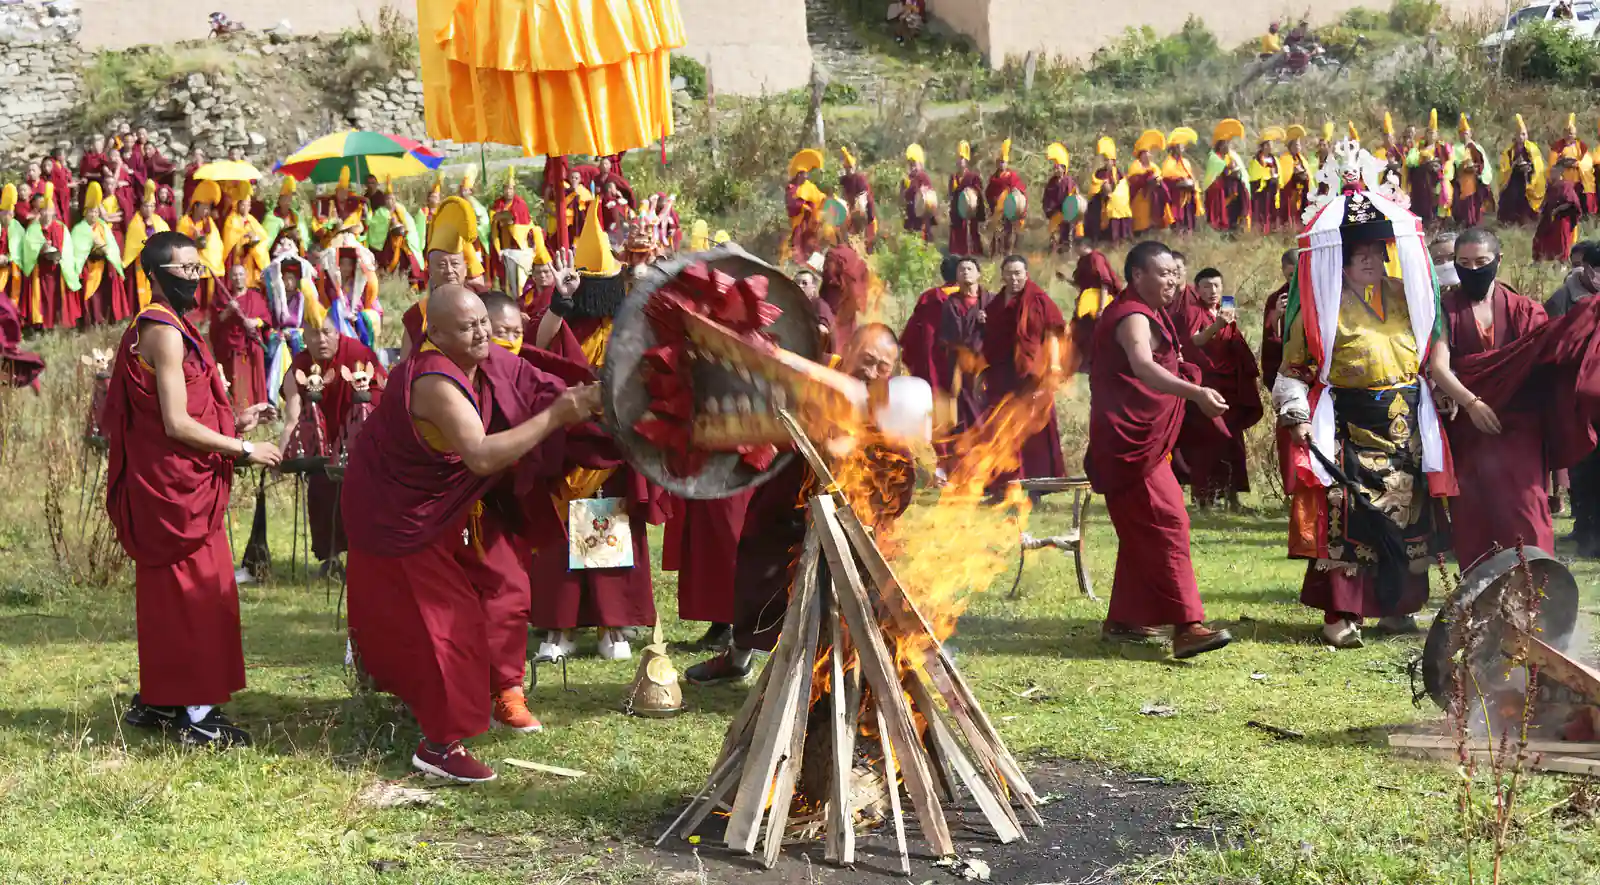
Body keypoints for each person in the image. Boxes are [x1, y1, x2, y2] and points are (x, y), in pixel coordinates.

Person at [343, 284, 598, 782]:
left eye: (484, 320)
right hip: (398, 512)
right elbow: (480, 454)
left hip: (427, 512)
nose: (482, 331)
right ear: (434, 334)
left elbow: (530, 380)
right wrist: (557, 416)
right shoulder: (436, 380)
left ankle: (425, 707)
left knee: (437, 618)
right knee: (448, 624)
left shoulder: (484, 361)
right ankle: (439, 746)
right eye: (467, 326)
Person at [1275, 189, 1486, 649]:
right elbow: (1293, 369)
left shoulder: (1405, 294)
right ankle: (1340, 615)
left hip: (1405, 423)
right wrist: (1296, 414)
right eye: (1359, 255)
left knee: (1407, 520)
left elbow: (1433, 351)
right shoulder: (1321, 306)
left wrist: (1442, 396)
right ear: (1342, 263)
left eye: (1376, 252)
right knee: (1347, 518)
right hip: (1348, 424)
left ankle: (1397, 608)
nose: (1370, 261)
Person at [107, 231, 282, 748]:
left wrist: (238, 419)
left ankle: (162, 699)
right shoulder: (161, 329)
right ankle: (198, 717)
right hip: (174, 489)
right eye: (183, 270)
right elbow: (177, 423)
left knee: (173, 598)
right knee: (201, 597)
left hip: (182, 481)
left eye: (196, 268)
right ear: (157, 275)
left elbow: (194, 406)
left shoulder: (179, 325)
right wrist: (243, 449)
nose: (194, 278)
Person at [685, 324, 914, 684]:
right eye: (865, 360)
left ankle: (836, 677)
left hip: (851, 514)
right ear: (849, 349)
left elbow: (901, 475)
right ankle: (738, 656)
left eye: (881, 367)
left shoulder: (891, 407)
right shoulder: (813, 374)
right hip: (791, 495)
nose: (869, 372)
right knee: (759, 570)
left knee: (853, 596)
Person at [529, 201, 663, 662]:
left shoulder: (627, 325)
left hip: (611, 445)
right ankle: (559, 629)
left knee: (608, 531)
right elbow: (533, 348)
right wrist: (560, 302)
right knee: (560, 539)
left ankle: (612, 627)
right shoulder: (561, 318)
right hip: (564, 444)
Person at [1087, 240, 1232, 658]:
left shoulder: (1151, 312)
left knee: (1143, 527)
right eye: (1163, 273)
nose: (1172, 281)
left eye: (1174, 273)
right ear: (1137, 277)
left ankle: (1127, 620)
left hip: (1140, 440)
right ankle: (1188, 626)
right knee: (1167, 521)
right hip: (1129, 442)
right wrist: (1196, 392)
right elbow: (1142, 365)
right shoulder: (1132, 314)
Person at [1439, 228, 1550, 568]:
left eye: (1482, 262)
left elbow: (1544, 365)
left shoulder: (1524, 310)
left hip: (1517, 427)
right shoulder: (1444, 309)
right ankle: (1481, 603)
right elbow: (1437, 367)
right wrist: (1471, 403)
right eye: (1464, 263)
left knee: (1527, 507)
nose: (1473, 269)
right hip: (1467, 427)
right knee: (1474, 513)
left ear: (1498, 261)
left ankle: (1537, 597)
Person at [1176, 268, 1262, 508]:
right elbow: (1195, 340)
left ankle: (1233, 497)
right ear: (1197, 290)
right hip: (1208, 385)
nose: (1212, 291)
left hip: (1229, 386)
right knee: (1209, 441)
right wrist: (1218, 325)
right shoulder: (1196, 312)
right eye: (1205, 287)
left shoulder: (1224, 311)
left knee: (1233, 442)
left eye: (1216, 286)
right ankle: (1204, 498)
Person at [982, 255, 1067, 496]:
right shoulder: (996, 304)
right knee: (1001, 427)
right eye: (1009, 273)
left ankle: (1036, 486)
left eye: (1018, 273)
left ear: (1026, 274)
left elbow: (1052, 335)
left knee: (1034, 431)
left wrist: (1054, 368)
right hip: (1003, 376)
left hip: (1033, 374)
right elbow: (991, 340)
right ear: (1003, 275)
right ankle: (1004, 484)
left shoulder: (1038, 300)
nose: (1014, 278)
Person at [937, 256, 992, 457]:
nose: (965, 272)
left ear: (978, 274)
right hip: (961, 368)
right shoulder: (951, 304)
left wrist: (990, 321)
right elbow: (949, 338)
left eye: (969, 268)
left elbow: (1005, 330)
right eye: (961, 270)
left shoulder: (990, 301)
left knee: (988, 413)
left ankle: (990, 459)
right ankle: (965, 462)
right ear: (956, 277)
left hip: (986, 367)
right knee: (964, 415)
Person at [1260, 248, 1298, 492]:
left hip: (1315, 376)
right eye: (1289, 276)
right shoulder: (1276, 298)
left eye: (1297, 275)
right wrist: (1277, 318)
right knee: (1288, 434)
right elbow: (1269, 340)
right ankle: (1292, 489)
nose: (1293, 281)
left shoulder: (1318, 291)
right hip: (1286, 375)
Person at [211, 264, 274, 409]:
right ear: (230, 278)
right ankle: (240, 411)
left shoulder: (255, 297)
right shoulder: (223, 298)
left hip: (252, 344)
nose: (238, 278)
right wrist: (229, 309)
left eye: (240, 275)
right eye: (234, 275)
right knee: (237, 378)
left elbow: (266, 319)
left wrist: (255, 322)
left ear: (246, 276)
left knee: (255, 378)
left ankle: (260, 410)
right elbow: (216, 322)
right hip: (232, 346)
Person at [19, 187, 81, 330]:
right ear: (39, 212)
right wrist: (41, 250)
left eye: (49, 210)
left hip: (58, 269)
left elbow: (68, 249)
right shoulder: (33, 229)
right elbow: (29, 249)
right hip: (41, 270)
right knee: (43, 298)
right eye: (43, 210)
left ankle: (59, 323)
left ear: (53, 212)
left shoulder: (61, 228)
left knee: (57, 297)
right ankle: (42, 325)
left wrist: (60, 257)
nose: (46, 213)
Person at [900, 254, 960, 392]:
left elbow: (911, 335)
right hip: (961, 365)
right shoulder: (970, 298)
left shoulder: (929, 297)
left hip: (930, 363)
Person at [73, 182, 128, 326]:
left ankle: (104, 319)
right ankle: (89, 322)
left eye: (97, 212)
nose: (94, 214)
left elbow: (111, 247)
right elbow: (77, 252)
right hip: (88, 267)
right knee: (88, 294)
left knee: (104, 294)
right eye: (91, 211)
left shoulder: (103, 226)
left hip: (102, 266)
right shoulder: (79, 229)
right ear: (86, 212)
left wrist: (103, 248)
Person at [177, 179, 227, 312]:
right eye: (204, 207)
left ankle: (207, 313)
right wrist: (193, 239)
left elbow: (215, 243)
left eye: (208, 208)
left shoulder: (208, 221)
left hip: (209, 263)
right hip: (192, 264)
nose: (206, 211)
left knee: (209, 295)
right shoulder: (185, 222)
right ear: (195, 206)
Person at [123, 181, 171, 310]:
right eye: (146, 205)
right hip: (140, 263)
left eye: (151, 206)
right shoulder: (136, 222)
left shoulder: (159, 222)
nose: (148, 209)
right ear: (141, 207)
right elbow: (134, 243)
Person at [1404, 110, 1453, 227]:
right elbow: (1411, 161)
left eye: (1433, 133)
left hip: (1437, 178)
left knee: (1438, 199)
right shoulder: (1419, 146)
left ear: (1437, 134)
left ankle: (1437, 222)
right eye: (1429, 132)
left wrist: (1441, 170)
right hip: (1422, 180)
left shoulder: (1442, 147)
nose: (1431, 135)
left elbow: (1449, 161)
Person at [1534, 156, 1584, 263]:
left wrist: (1557, 210)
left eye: (1553, 172)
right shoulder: (1552, 186)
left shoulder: (1566, 185)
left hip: (1562, 217)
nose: (1551, 175)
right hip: (1549, 215)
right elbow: (1547, 200)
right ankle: (1539, 260)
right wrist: (1541, 210)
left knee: (1561, 241)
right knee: (1540, 236)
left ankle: (1562, 263)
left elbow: (1571, 202)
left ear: (1559, 173)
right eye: (1551, 172)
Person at [1498, 115, 1545, 226]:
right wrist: (1514, 165)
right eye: (1519, 134)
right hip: (1514, 178)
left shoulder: (1532, 149)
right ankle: (1509, 221)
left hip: (1528, 179)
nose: (1521, 137)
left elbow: (1538, 166)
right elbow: (1505, 168)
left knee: (1526, 198)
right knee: (1510, 195)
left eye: (1524, 134)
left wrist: (1529, 168)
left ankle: (1526, 222)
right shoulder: (1509, 150)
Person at [1204, 122, 1250, 232]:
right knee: (1224, 212)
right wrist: (1227, 171)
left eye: (1228, 144)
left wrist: (1235, 172)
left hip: (1234, 191)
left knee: (1235, 211)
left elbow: (1240, 171)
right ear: (1219, 145)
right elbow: (1213, 176)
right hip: (1221, 192)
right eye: (1224, 144)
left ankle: (1236, 227)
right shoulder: (1214, 158)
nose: (1227, 146)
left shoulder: (1232, 156)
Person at [221, 186, 270, 290]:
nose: (246, 207)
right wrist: (244, 239)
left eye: (248, 205)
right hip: (239, 259)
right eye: (243, 204)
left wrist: (254, 238)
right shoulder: (232, 220)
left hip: (252, 259)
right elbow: (231, 241)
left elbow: (263, 237)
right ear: (237, 204)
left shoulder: (251, 219)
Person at [1084, 138, 1130, 244]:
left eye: (1109, 160)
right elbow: (1094, 187)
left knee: (1118, 207)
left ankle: (1119, 239)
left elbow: (1123, 186)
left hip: (1114, 201)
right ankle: (1097, 238)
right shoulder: (1099, 172)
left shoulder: (1118, 172)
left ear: (1114, 161)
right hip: (1100, 201)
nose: (1107, 162)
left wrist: (1113, 191)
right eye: (1105, 160)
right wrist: (1103, 188)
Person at [1451, 115, 1493, 228]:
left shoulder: (1477, 147)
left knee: (1476, 205)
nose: (1464, 134)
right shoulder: (1454, 148)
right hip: (1461, 181)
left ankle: (1475, 224)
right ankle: (1461, 223)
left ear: (1470, 133)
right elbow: (1451, 165)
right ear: (1458, 134)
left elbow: (1486, 166)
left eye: (1466, 132)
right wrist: (1462, 167)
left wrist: (1479, 172)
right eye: (1462, 132)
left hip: (1475, 180)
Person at [985, 140, 1026, 256]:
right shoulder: (993, 178)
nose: (1002, 164)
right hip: (997, 211)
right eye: (1000, 162)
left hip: (1010, 210)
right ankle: (996, 254)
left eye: (1004, 162)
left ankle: (1008, 253)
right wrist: (993, 203)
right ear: (997, 163)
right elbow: (988, 193)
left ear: (1007, 164)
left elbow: (1020, 189)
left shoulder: (1012, 176)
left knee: (1008, 233)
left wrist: (1016, 191)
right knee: (996, 233)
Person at [1548, 113, 1592, 217]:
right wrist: (1562, 164)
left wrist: (1577, 164)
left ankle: (1580, 215)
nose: (1569, 135)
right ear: (1563, 133)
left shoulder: (1580, 146)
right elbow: (1552, 163)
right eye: (1567, 132)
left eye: (1571, 133)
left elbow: (1587, 161)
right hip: (1563, 180)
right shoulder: (1558, 146)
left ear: (1575, 134)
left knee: (1577, 199)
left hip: (1577, 178)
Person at [947, 141, 986, 256]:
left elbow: (979, 191)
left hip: (970, 212)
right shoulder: (953, 177)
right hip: (956, 212)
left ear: (967, 160)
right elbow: (950, 194)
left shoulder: (973, 177)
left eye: (963, 159)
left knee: (972, 234)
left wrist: (971, 192)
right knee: (957, 234)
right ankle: (957, 255)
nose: (960, 161)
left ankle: (973, 254)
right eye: (959, 158)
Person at [1127, 131, 1168, 237]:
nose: (1147, 156)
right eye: (1144, 153)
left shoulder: (1154, 166)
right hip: (1139, 197)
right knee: (1140, 217)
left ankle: (1152, 231)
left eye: (1148, 153)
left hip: (1152, 197)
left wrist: (1155, 180)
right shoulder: (1135, 165)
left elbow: (1159, 177)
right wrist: (1145, 179)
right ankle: (1137, 233)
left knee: (1151, 218)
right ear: (1140, 156)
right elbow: (1133, 179)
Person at [837, 147, 878, 250]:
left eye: (850, 168)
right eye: (846, 168)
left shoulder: (860, 179)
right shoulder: (844, 180)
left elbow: (862, 200)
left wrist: (856, 211)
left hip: (866, 215)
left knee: (867, 245)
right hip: (853, 216)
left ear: (854, 168)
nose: (848, 171)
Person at [1041, 143, 1079, 253]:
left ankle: (1066, 255)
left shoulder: (1069, 181)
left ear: (1064, 168)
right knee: (1053, 236)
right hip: (1055, 213)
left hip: (1066, 214)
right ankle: (1053, 256)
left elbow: (1073, 197)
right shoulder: (1052, 181)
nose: (1056, 170)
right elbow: (1047, 196)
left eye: (1058, 168)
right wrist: (1049, 207)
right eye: (1055, 168)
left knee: (1066, 237)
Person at [1161, 131, 1201, 234]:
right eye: (1180, 145)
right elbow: (1166, 181)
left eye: (1183, 145)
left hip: (1187, 196)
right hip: (1176, 198)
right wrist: (1181, 183)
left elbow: (1191, 176)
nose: (1182, 147)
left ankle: (1189, 240)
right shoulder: (1168, 162)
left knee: (1188, 222)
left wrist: (1191, 184)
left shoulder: (1186, 162)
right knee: (1178, 223)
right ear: (1174, 148)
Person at [1277, 125, 1317, 227]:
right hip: (1291, 194)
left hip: (1302, 192)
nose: (1298, 146)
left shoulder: (1301, 158)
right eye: (1296, 144)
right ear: (1291, 146)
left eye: (1299, 144)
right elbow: (1285, 176)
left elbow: (1308, 174)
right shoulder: (1285, 158)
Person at [1248, 129, 1283, 235]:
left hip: (1273, 190)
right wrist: (1265, 179)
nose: (1269, 147)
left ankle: (1273, 231)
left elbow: (1279, 172)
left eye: (1271, 144)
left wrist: (1276, 179)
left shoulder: (1274, 159)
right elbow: (1254, 176)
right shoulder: (1256, 160)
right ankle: (1260, 232)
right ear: (1262, 147)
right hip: (1262, 193)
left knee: (1273, 212)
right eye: (1267, 145)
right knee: (1262, 213)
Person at [902, 143, 936, 243]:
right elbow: (901, 200)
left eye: (914, 163)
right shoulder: (907, 179)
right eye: (910, 163)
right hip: (910, 219)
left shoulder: (923, 177)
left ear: (920, 163)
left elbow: (929, 199)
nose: (912, 166)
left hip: (921, 222)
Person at [0, 184, 20, 304]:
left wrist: (7, 258)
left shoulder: (16, 227)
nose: (8, 216)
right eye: (5, 212)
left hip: (10, 269)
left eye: (11, 213)